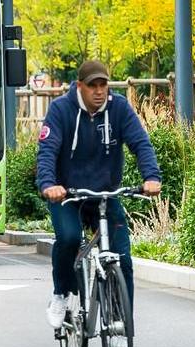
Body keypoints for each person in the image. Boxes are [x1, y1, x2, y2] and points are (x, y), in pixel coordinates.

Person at [35, 60, 162, 332]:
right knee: (69, 238)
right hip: (66, 194)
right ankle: (61, 294)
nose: (99, 91)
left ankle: (119, 321)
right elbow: (47, 152)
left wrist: (151, 177)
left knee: (122, 258)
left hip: (104, 194)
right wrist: (49, 185)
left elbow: (140, 143)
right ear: (79, 86)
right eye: (92, 85)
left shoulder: (118, 109)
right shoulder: (61, 110)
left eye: (103, 84)